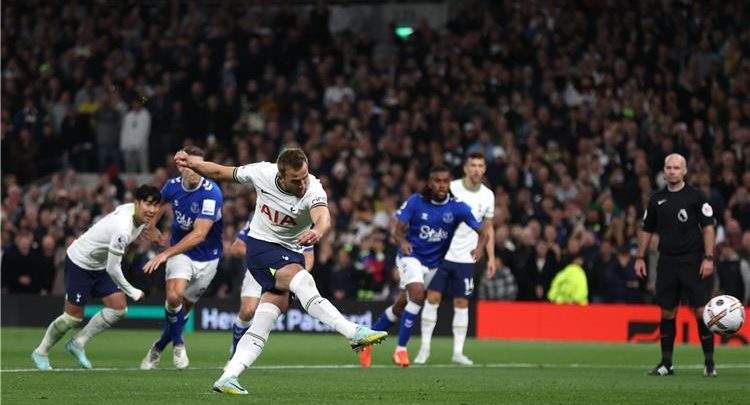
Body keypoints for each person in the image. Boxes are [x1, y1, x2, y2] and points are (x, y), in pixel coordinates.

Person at [173, 147, 387, 395]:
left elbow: (323, 218)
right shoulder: (262, 172)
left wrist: (317, 231)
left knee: (265, 319)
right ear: (281, 176)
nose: (302, 184)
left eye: (304, 176)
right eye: (295, 180)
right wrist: (191, 164)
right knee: (303, 280)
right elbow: (221, 172)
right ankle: (353, 332)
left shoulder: (314, 189)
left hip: (290, 252)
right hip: (261, 247)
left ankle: (228, 376)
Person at [360, 164, 489, 368]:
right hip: (410, 256)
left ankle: (366, 340)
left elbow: (483, 232)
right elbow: (397, 231)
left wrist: (480, 248)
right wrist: (403, 242)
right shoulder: (415, 202)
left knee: (401, 305)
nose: (442, 185)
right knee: (418, 295)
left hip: (433, 265)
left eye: (445, 181)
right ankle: (401, 350)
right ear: (430, 183)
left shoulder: (458, 207)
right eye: (437, 181)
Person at [30, 185, 161, 370]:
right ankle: (41, 351)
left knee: (119, 309)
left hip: (100, 265)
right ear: (137, 203)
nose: (152, 210)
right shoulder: (123, 228)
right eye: (148, 204)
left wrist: (152, 229)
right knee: (72, 318)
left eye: (156, 205)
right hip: (80, 262)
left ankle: (78, 342)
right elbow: (113, 268)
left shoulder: (137, 214)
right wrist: (132, 290)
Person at [139, 146, 224, 370]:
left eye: (199, 166)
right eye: (190, 166)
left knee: (182, 311)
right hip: (181, 252)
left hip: (208, 258)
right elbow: (157, 205)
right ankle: (178, 344)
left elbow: (199, 234)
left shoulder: (211, 193)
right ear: (181, 167)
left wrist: (164, 253)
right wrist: (151, 226)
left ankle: (158, 347)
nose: (195, 170)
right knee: (174, 296)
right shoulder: (172, 186)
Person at [635, 153, 717, 377]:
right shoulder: (656, 199)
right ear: (664, 170)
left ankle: (709, 362)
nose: (672, 171)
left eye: (676, 168)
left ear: (684, 171)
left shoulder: (696, 196)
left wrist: (709, 258)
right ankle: (666, 363)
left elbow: (708, 228)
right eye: (669, 168)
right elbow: (647, 229)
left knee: (700, 310)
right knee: (667, 311)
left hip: (692, 260)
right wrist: (640, 257)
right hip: (667, 261)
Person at [414, 152, 496, 366]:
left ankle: (458, 353)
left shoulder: (488, 195)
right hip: (442, 255)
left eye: (480, 165)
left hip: (467, 257)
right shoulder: (452, 187)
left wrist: (490, 256)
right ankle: (424, 349)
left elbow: (488, 228)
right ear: (466, 168)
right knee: (432, 298)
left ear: (484, 169)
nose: (477, 169)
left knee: (462, 302)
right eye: (473, 165)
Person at [227, 220, 314, 357]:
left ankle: (243, 355)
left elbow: (308, 256)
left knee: (270, 315)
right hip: (259, 268)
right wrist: (263, 256)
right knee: (248, 311)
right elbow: (236, 248)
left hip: (284, 274)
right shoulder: (260, 219)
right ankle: (236, 347)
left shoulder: (302, 224)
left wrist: (297, 277)